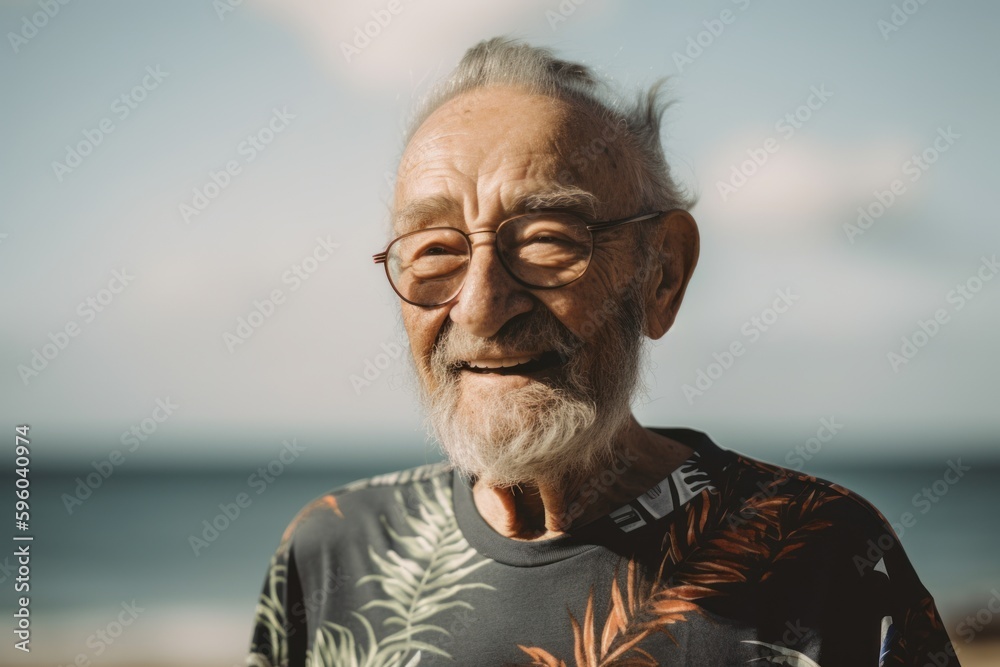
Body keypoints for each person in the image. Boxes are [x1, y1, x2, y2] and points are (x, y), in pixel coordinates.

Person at [246, 37, 960, 667]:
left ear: (663, 274)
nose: (481, 305)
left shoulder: (825, 552)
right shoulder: (333, 551)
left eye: (548, 239)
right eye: (435, 250)